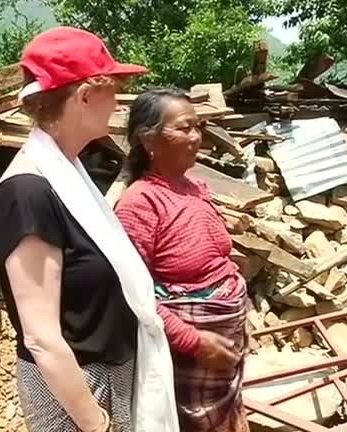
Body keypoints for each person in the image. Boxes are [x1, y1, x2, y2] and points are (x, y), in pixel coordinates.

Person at [0, 28, 179, 432]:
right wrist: (95, 422)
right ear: (86, 95)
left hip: (108, 376)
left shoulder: (69, 175)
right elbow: (41, 336)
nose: (118, 103)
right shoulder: (28, 192)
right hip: (78, 394)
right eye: (115, 90)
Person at [114, 88, 249, 432]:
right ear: (149, 141)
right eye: (184, 128)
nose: (196, 137)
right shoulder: (140, 204)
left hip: (224, 345)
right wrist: (195, 342)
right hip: (191, 357)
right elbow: (133, 295)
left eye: (198, 127)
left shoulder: (195, 188)